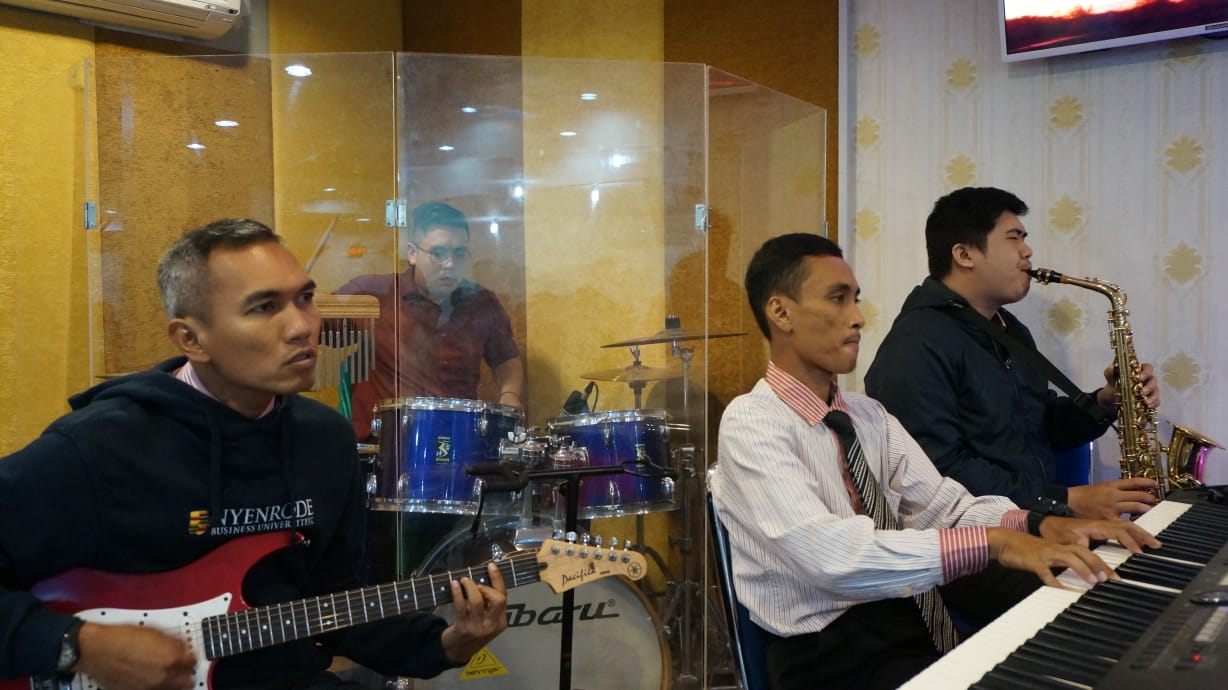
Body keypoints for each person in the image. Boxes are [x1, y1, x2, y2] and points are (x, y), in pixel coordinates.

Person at [0, 219, 508, 689]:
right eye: (264, 307)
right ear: (191, 339)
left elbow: (336, 603)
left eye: (304, 298)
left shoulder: (326, 441)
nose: (301, 326)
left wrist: (447, 643)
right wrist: (76, 645)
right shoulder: (98, 447)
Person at [714, 232, 1158, 690]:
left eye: (856, 299)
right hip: (827, 657)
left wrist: (1041, 523)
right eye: (837, 298)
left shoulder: (868, 416)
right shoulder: (753, 422)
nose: (858, 317)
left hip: (905, 621)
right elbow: (832, 558)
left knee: (1081, 650)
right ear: (781, 312)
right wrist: (996, 543)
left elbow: (944, 507)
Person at [864, 186, 1161, 520]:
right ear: (964, 255)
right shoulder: (916, 343)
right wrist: (1063, 499)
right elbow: (937, 471)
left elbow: (1038, 426)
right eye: (1013, 238)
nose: (1027, 250)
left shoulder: (1009, 329)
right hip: (975, 541)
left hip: (1032, 523)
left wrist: (1106, 401)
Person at [334, 201, 524, 441]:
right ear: (412, 253)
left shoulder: (482, 302)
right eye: (438, 253)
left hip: (457, 436)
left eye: (459, 253)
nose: (450, 264)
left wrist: (510, 395)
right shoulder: (374, 293)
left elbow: (505, 358)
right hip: (384, 440)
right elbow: (315, 324)